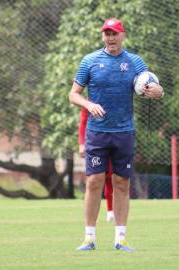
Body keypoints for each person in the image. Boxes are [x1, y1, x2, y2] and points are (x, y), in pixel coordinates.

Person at [69, 18, 164, 251]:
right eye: (107, 34)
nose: (111, 38)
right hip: (97, 133)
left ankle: (120, 238)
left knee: (121, 183)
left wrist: (156, 92)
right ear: (103, 36)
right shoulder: (89, 61)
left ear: (123, 35)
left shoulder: (134, 62)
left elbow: (154, 87)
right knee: (94, 182)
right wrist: (88, 105)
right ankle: (89, 237)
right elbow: (73, 94)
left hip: (124, 132)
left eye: (115, 34)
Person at [78, 107, 114, 222]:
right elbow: (83, 123)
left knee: (110, 177)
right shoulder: (88, 102)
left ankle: (110, 211)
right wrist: (81, 144)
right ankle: (92, 215)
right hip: (94, 144)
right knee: (94, 180)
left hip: (112, 141)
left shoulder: (114, 98)